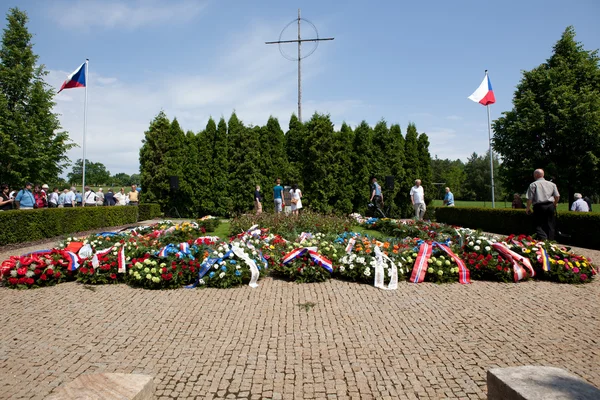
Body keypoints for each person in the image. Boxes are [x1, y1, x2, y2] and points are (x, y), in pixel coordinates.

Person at [525, 169, 560, 240]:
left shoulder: (533, 184)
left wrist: (528, 207)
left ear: (536, 175)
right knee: (550, 224)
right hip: (550, 205)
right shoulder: (552, 184)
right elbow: (557, 196)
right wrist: (555, 203)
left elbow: (530, 198)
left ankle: (543, 238)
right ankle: (550, 241)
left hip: (539, 206)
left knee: (537, 224)